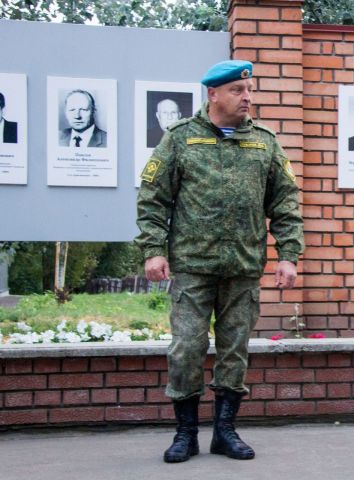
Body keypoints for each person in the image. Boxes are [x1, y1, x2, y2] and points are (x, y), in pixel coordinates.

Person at [135, 60, 304, 464]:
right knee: (187, 349)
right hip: (193, 265)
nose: (247, 97)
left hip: (243, 267)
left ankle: (225, 432)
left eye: (249, 90)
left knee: (235, 351)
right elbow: (153, 197)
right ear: (213, 94)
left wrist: (289, 255)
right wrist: (153, 249)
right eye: (237, 91)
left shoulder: (265, 141)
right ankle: (186, 434)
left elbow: (285, 202)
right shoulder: (180, 138)